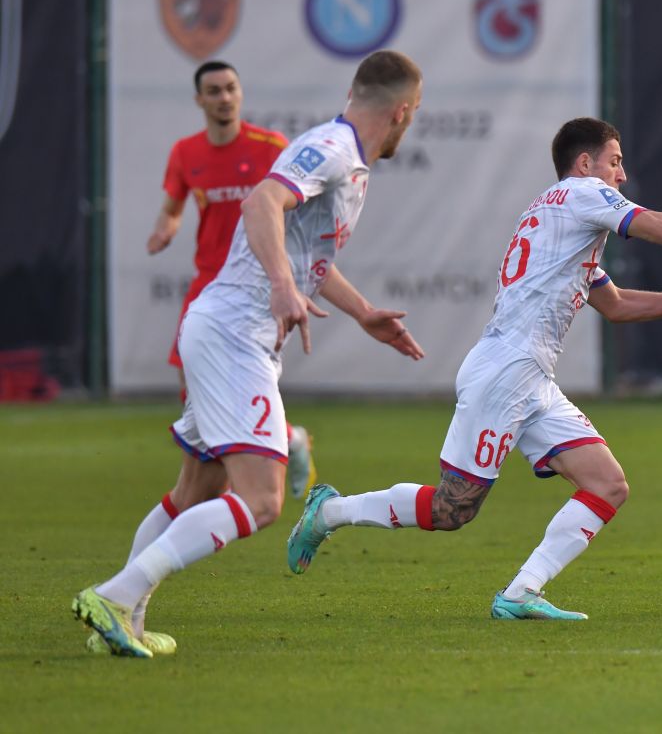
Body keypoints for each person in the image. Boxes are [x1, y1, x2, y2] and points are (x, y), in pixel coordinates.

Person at [286, 116, 662, 621]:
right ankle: (330, 511)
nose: (622, 175)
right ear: (586, 164)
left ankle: (520, 592)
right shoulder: (584, 194)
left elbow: (618, 304)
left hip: (532, 377)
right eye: (616, 161)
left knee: (608, 484)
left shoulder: (560, 216)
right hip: (506, 372)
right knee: (451, 509)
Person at [73, 50, 427, 657]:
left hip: (225, 330)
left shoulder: (351, 164)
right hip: (235, 334)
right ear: (402, 112)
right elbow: (261, 201)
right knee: (262, 499)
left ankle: (121, 624)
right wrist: (282, 286)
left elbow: (307, 256)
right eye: (413, 116)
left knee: (195, 491)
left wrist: (361, 310)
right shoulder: (335, 148)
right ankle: (113, 594)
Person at [147, 61, 316, 501]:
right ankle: (279, 442)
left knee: (247, 380)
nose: (224, 97)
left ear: (240, 94)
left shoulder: (269, 147)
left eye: (230, 88)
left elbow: (294, 215)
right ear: (199, 100)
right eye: (214, 91)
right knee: (192, 381)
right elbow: (172, 205)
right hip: (207, 283)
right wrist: (166, 226)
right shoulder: (186, 152)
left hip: (256, 284)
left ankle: (257, 458)